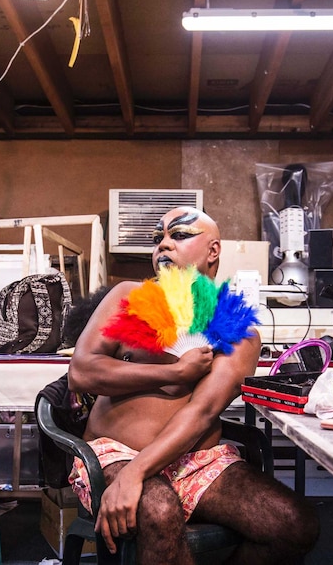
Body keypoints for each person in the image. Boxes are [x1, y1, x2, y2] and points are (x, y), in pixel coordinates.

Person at [68, 206, 319, 564]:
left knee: (295, 523)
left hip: (197, 462)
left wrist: (138, 473)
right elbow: (81, 372)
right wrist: (173, 373)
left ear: (213, 251)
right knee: (157, 508)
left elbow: (203, 412)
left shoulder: (239, 331)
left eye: (179, 235)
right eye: (158, 239)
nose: (163, 246)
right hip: (116, 453)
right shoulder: (128, 296)